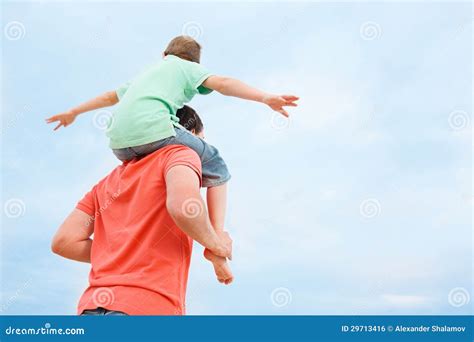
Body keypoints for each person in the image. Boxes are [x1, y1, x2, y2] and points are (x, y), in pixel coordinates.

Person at [45, 36, 299, 269]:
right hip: (153, 131)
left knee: (153, 164)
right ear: (194, 62)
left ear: (164, 54)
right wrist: (265, 97)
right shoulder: (186, 67)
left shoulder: (148, 73)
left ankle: (129, 244)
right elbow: (223, 83)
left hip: (120, 145)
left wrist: (74, 112)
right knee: (216, 164)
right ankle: (217, 237)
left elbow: (110, 97)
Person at [51, 144, 233, 315]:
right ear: (189, 133)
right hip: (148, 308)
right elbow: (184, 206)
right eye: (201, 139)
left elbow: (64, 242)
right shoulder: (181, 153)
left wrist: (122, 253)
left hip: (91, 308)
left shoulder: (106, 184)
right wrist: (217, 245)